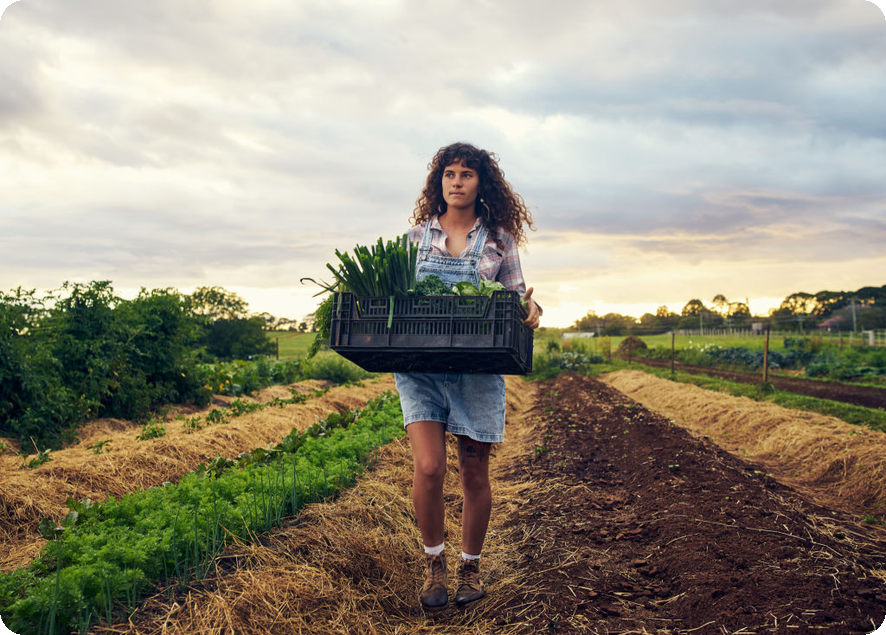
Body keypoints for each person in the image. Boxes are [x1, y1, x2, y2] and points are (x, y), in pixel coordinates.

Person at [394, 142, 541, 612]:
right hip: (420, 370)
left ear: (482, 183)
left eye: (466, 174)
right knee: (429, 467)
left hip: (477, 371)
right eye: (449, 174)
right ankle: (434, 564)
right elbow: (397, 301)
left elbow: (516, 299)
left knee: (474, 473)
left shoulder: (499, 240)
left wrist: (532, 310)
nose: (457, 182)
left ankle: (470, 568)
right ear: (439, 182)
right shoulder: (414, 239)